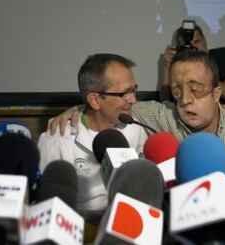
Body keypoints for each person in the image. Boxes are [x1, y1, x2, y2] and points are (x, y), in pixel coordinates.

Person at [49, 51, 225, 200]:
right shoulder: (162, 116)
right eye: (177, 91)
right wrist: (79, 109)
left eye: (196, 90)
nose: (186, 100)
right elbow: (110, 104)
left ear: (216, 93)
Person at [38, 53, 147, 222]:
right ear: (94, 100)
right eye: (125, 93)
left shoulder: (135, 128)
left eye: (134, 90)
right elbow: (45, 205)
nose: (133, 99)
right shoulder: (55, 141)